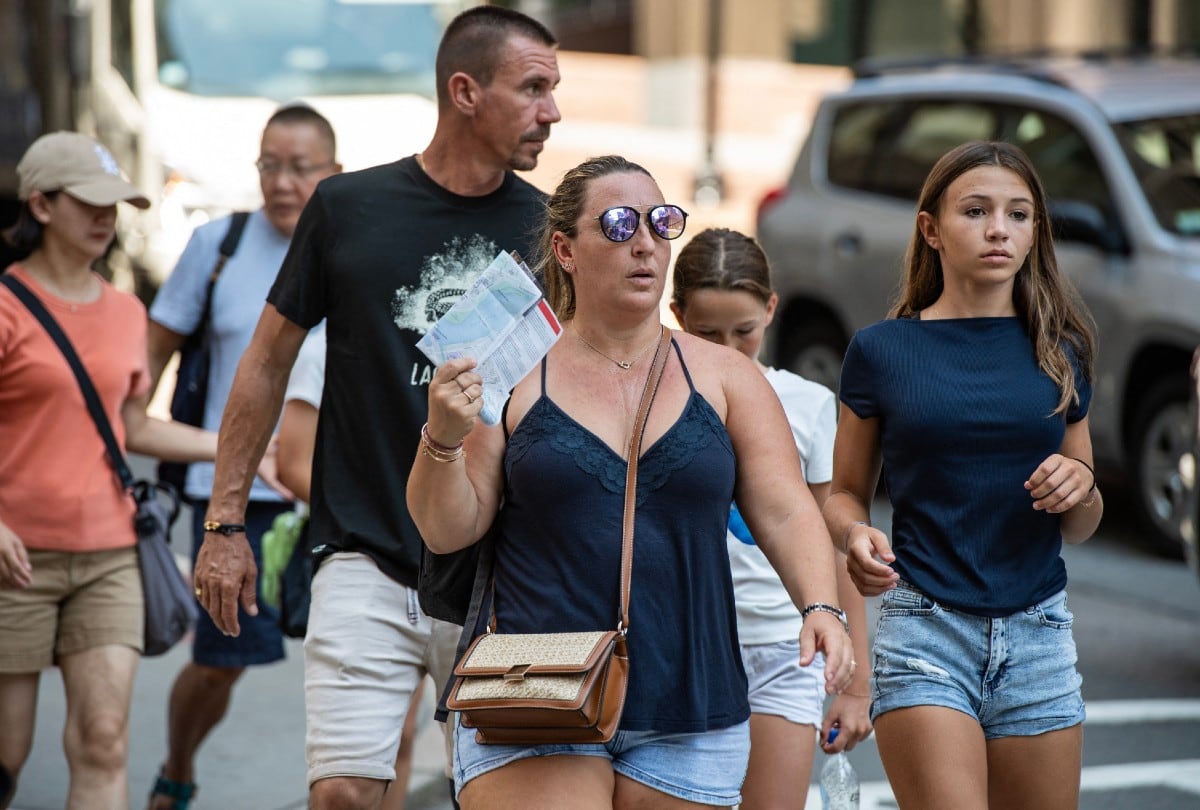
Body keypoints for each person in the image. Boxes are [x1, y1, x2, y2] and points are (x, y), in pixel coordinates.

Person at [191, 7, 562, 809]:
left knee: (499, 798)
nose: (551, 112)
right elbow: (265, 363)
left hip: (504, 565)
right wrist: (225, 523)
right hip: (363, 554)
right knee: (345, 795)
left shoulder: (548, 227)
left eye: (553, 90)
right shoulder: (347, 208)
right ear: (465, 91)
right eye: (532, 89)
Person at [406, 154, 856, 809]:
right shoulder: (513, 368)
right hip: (536, 688)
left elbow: (787, 510)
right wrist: (442, 439)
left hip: (690, 697)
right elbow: (448, 529)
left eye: (660, 222)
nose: (645, 242)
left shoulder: (726, 376)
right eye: (617, 225)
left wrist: (821, 606)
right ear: (566, 248)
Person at [822, 140, 1103, 810]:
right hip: (926, 630)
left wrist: (1081, 487)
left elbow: (1084, 521)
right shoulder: (884, 351)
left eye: (1019, 214)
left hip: (1039, 634)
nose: (999, 229)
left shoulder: (1060, 351)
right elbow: (842, 494)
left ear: (1036, 232)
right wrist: (854, 535)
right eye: (976, 211)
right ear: (931, 229)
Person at [0, 132, 222, 809]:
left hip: (110, 557)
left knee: (104, 740)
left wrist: (236, 448)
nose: (106, 218)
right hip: (15, 563)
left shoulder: (127, 311)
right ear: (41, 204)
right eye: (89, 203)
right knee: (5, 759)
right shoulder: (6, 305)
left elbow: (132, 427)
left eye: (116, 205)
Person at [144, 102, 341, 810]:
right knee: (223, 659)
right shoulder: (217, 244)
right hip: (235, 499)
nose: (282, 182)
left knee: (368, 666)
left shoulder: (353, 248)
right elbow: (144, 364)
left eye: (300, 167)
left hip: (333, 496)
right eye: (269, 164)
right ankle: (177, 767)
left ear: (334, 173)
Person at [668, 227, 872, 809]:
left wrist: (855, 686)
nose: (729, 351)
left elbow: (834, 544)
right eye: (706, 333)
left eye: (745, 332)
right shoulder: (657, 401)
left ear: (771, 311)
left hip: (787, 649)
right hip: (689, 645)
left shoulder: (807, 404)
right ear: (677, 314)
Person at [275, 321, 430, 810]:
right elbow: (291, 462)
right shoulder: (326, 343)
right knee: (365, 760)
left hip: (459, 562)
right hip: (372, 562)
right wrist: (378, 521)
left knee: (408, 738)